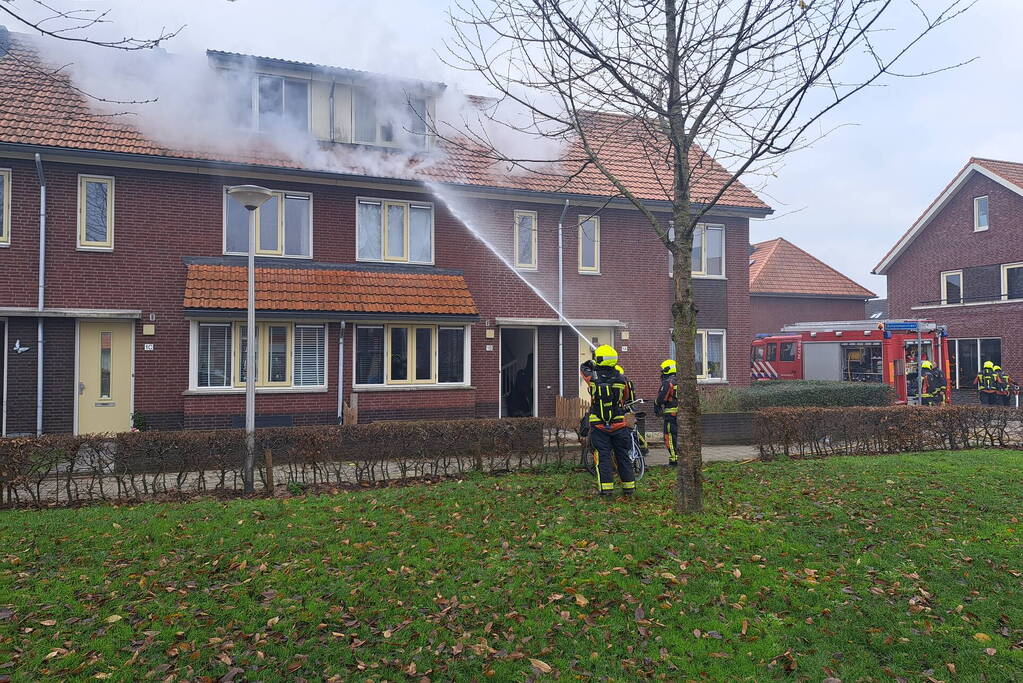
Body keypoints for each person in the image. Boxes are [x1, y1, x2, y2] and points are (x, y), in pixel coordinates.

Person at [581, 345, 635, 498]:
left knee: (603, 457)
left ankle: (606, 490)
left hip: (599, 424)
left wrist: (591, 363)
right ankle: (629, 488)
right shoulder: (621, 378)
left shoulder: (592, 378)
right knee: (622, 456)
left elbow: (583, 368)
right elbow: (626, 398)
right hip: (619, 423)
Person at [654, 359, 679, 466]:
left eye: (663, 370)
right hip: (682, 414)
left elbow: (661, 399)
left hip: (671, 415)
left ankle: (674, 460)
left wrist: (656, 404)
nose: (662, 373)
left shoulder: (668, 382)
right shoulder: (682, 380)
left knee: (669, 437)